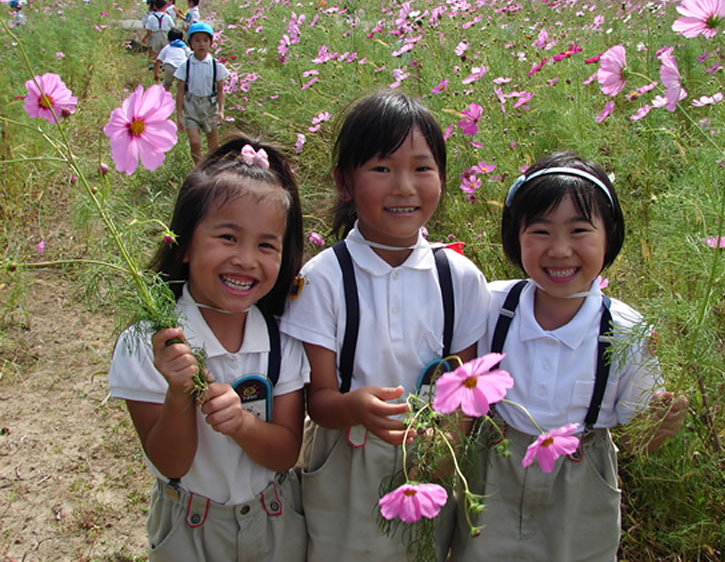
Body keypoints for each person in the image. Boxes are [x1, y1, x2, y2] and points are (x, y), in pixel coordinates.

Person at [281, 90, 490, 562]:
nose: (403, 187)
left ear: (442, 177)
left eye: (421, 168)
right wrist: (353, 407)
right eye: (381, 168)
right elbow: (319, 401)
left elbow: (467, 390)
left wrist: (447, 437)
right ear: (344, 182)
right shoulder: (323, 280)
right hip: (346, 463)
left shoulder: (458, 278)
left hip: (431, 460)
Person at [450, 152, 689, 561]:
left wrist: (657, 427)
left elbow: (634, 439)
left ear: (609, 237)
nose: (560, 250)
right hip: (495, 468)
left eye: (579, 230)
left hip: (583, 477)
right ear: (515, 236)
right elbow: (456, 390)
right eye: (540, 231)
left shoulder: (626, 329)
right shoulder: (490, 305)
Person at [108, 134, 308, 561]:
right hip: (189, 529)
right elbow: (171, 465)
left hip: (274, 523)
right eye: (228, 237)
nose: (246, 259)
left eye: (266, 245)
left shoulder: (281, 342)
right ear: (182, 246)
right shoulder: (149, 343)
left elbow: (286, 452)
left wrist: (241, 424)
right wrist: (179, 390)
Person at [175, 23, 229, 165]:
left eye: (205, 40)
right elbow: (180, 91)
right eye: (197, 40)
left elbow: (220, 90)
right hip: (191, 106)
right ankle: (199, 168)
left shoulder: (216, 66)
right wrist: (179, 115)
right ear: (190, 43)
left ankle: (212, 167)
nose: (201, 44)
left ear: (211, 43)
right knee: (195, 142)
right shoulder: (185, 66)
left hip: (209, 106)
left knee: (213, 142)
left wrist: (221, 111)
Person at [144, 0, 175, 66]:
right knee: (165, 50)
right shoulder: (167, 16)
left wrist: (145, 37)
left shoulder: (151, 17)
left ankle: (153, 64)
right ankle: (163, 64)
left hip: (155, 35)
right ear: (165, 6)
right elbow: (172, 26)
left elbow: (149, 30)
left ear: (154, 6)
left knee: (154, 50)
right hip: (165, 35)